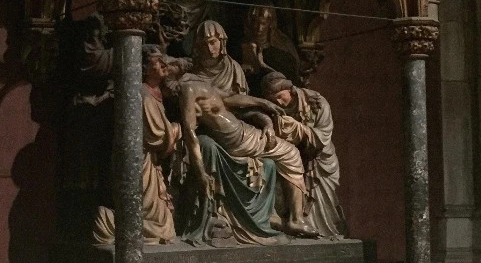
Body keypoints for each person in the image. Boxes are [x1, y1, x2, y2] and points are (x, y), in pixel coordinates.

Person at [179, 78, 319, 240]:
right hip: (238, 140)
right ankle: (296, 219)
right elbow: (190, 132)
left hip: (244, 133)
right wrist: (200, 172)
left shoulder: (198, 87)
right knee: (291, 154)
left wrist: (263, 103)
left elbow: (230, 98)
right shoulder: (190, 90)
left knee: (285, 154)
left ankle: (278, 213)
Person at [93, 48, 181, 245]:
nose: (163, 65)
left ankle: (126, 227)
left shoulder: (155, 93)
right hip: (139, 160)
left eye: (163, 61)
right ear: (145, 69)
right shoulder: (143, 94)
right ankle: (109, 223)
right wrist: (177, 129)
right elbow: (156, 135)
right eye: (157, 62)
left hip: (151, 161)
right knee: (155, 217)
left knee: (163, 220)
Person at [261, 71, 345, 239]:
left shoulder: (316, 103)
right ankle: (296, 225)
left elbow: (323, 136)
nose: (278, 102)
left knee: (323, 201)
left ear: (290, 90)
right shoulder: (274, 108)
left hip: (319, 159)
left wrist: (297, 128)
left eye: (280, 97)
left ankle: (327, 232)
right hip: (293, 159)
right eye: (273, 100)